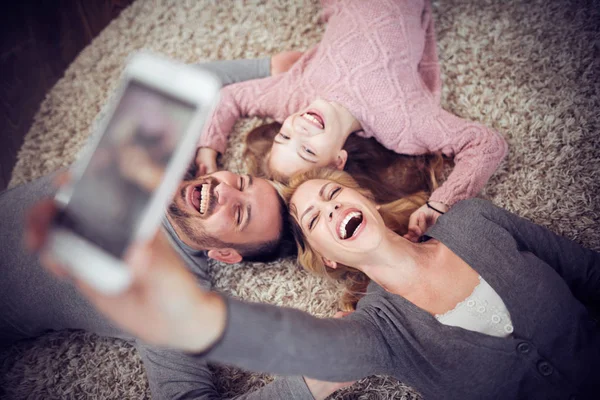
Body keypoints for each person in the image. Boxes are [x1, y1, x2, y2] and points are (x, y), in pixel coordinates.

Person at [35, 168, 600, 399]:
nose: (329, 210)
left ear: (367, 202)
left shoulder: (474, 220)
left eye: (333, 195)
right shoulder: (376, 333)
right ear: (326, 257)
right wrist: (179, 310)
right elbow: (288, 347)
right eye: (312, 219)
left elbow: (588, 273)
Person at [0, 56, 336, 400]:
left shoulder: (172, 292)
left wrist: (315, 383)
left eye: (238, 214)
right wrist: (271, 67)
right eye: (239, 181)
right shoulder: (160, 157)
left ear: (224, 253)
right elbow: (189, 82)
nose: (223, 190)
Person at [195, 0, 509, 237]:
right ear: (338, 161)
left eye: (285, 136)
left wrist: (208, 147)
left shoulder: (293, 97)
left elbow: (230, 96)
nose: (300, 128)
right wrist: (441, 203)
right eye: (308, 150)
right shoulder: (401, 124)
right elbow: (486, 144)